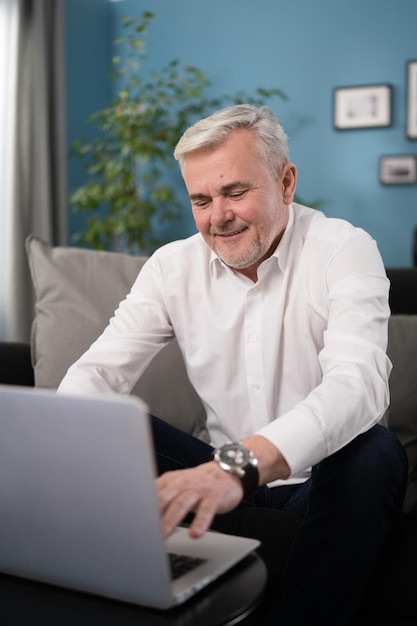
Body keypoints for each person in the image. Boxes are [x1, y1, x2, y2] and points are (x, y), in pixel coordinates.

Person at [58, 104, 407, 625]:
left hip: (319, 484)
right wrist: (55, 440)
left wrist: (238, 467)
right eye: (201, 199)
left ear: (286, 182)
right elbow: (98, 373)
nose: (217, 216)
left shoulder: (345, 249)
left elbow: (357, 386)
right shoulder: (171, 266)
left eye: (235, 193)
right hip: (220, 481)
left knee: (374, 449)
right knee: (103, 423)